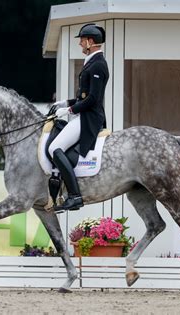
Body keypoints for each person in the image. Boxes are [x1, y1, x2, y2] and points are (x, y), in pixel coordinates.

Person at [49, 23, 109, 212]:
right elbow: (84, 96)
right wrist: (65, 103)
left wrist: (70, 111)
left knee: (54, 147)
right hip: (83, 115)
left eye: (82, 41)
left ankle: (74, 196)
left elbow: (93, 99)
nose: (80, 44)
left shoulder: (98, 64)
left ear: (90, 42)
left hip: (90, 118)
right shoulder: (91, 62)